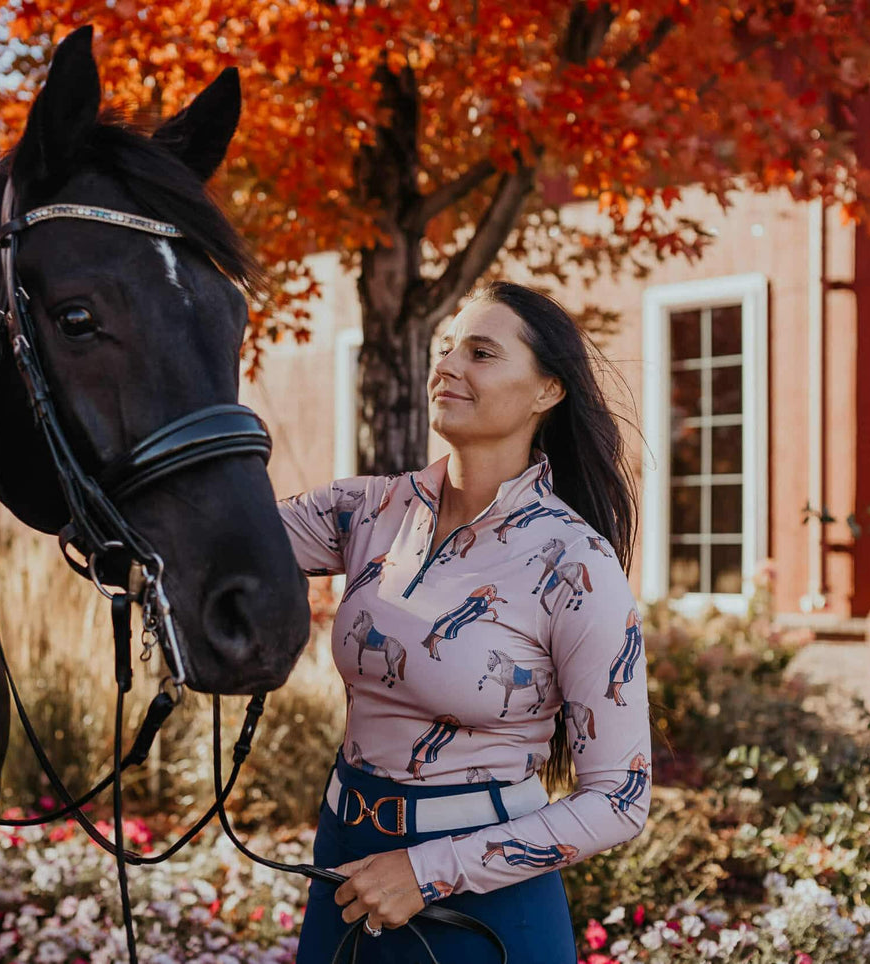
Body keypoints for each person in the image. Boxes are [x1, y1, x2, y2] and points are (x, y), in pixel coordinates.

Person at [277, 281, 650, 963]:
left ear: (546, 391)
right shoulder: (368, 511)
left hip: (483, 900)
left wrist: (426, 872)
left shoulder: (574, 564)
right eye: (446, 348)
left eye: (480, 352)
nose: (447, 365)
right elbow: (205, 536)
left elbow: (620, 798)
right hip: (344, 864)